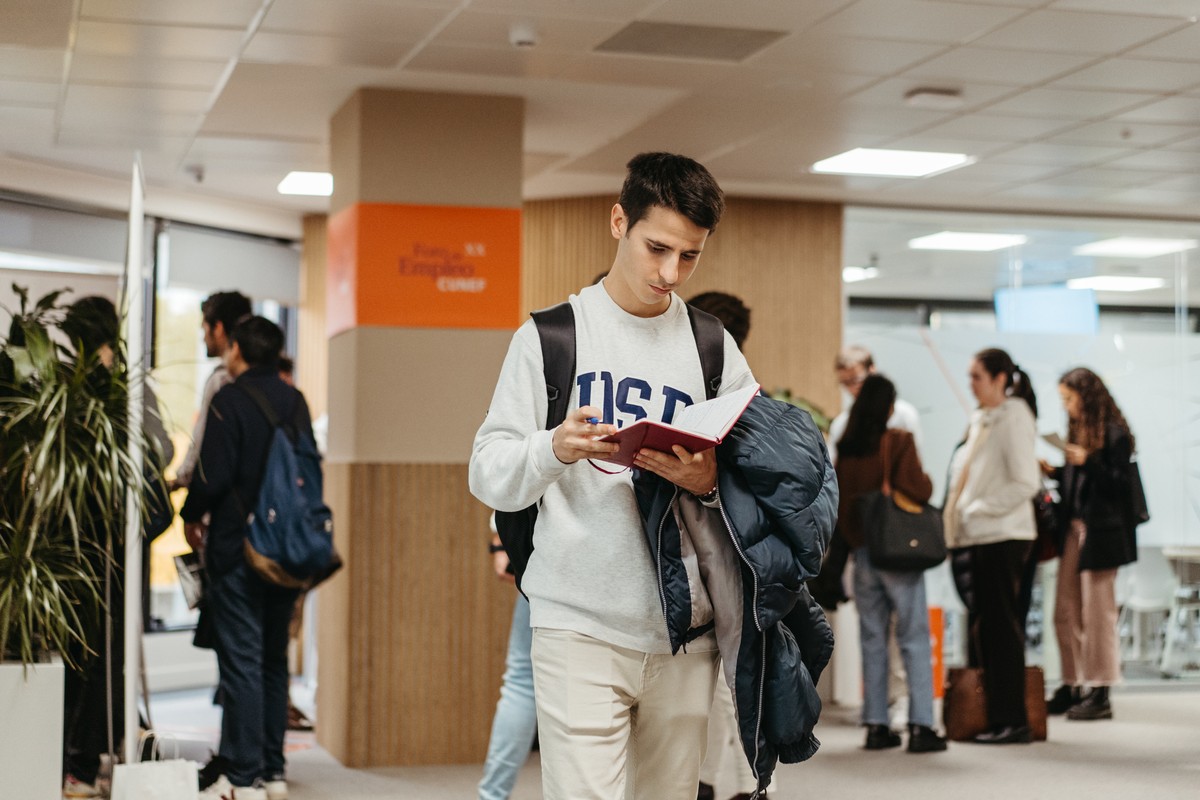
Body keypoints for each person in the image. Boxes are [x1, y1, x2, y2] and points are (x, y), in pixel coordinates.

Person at [469, 152, 760, 799]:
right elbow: (487, 473)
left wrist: (708, 479)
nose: (669, 272)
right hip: (578, 622)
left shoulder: (712, 346)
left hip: (687, 630)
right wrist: (556, 448)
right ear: (618, 221)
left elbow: (754, 487)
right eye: (656, 248)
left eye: (689, 257)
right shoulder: (551, 337)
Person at [181, 316, 313, 800]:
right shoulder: (293, 399)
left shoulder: (230, 399)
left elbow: (212, 477)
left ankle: (242, 773)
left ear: (236, 349)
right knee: (274, 661)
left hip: (238, 550)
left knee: (241, 662)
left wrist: (190, 513)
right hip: (287, 553)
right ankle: (274, 770)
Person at [59, 296, 174, 799]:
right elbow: (163, 449)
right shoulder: (132, 386)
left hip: (77, 536)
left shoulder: (72, 387)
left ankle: (81, 763)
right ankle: (110, 752)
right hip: (122, 538)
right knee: (113, 646)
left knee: (81, 650)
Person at [835, 375, 947, 754]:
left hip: (862, 553)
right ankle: (920, 726)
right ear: (887, 407)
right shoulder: (898, 441)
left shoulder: (846, 449)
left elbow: (838, 503)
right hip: (897, 553)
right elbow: (920, 489)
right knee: (913, 638)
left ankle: (876, 725)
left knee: (873, 640)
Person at [943, 348, 1039, 745]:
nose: (971, 384)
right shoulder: (982, 418)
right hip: (977, 536)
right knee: (985, 629)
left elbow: (1025, 483)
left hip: (1003, 535)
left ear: (1000, 378)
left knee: (1002, 631)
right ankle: (990, 714)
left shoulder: (1013, 417)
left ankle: (1012, 719)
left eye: (977, 376)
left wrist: (976, 508)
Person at [686, 291, 758, 800]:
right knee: (737, 683)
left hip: (709, 561)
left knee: (718, 688)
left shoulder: (706, 401)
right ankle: (747, 785)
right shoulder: (754, 400)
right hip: (744, 562)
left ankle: (722, 785)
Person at [1043, 368, 1141, 721]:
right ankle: (1073, 683)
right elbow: (1078, 481)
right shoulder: (1078, 432)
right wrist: (1056, 471)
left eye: (1070, 398)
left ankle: (1100, 690)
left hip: (1102, 533)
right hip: (1073, 530)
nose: (1067, 406)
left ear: (1087, 396)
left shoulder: (1114, 435)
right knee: (1065, 612)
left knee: (1098, 616)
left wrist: (1089, 461)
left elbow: (1119, 485)